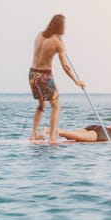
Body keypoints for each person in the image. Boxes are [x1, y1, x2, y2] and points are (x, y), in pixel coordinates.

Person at [29, 14, 85, 144]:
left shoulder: (39, 35)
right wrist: (77, 82)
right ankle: (52, 138)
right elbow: (65, 66)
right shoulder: (57, 42)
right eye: (64, 25)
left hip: (32, 73)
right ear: (60, 26)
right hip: (44, 75)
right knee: (56, 106)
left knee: (41, 104)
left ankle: (33, 135)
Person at [39, 109, 111, 142]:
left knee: (74, 135)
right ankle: (49, 130)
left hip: (98, 127)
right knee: (74, 135)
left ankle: (50, 131)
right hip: (106, 133)